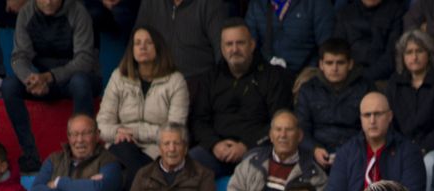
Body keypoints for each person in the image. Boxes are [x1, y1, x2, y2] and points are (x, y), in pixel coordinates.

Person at [189, 18, 291, 177]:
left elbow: (279, 121)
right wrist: (214, 144)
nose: (234, 49)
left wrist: (246, 146)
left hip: (256, 150)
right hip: (217, 151)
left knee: (255, 167)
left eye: (240, 43)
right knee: (189, 164)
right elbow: (199, 120)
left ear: (252, 45)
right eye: (229, 44)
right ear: (222, 48)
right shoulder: (210, 78)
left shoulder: (273, 76)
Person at [5, 0, 98, 174]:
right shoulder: (26, 13)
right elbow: (19, 56)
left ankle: (85, 155)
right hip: (40, 79)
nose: (48, 1)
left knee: (80, 82)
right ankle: (30, 155)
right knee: (9, 86)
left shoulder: (78, 12)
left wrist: (50, 77)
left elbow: (84, 60)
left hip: (72, 78)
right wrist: (30, 79)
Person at [323, 91, 426, 191]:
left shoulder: (408, 152)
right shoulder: (346, 152)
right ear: (361, 118)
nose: (372, 120)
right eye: (367, 115)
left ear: (390, 116)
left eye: (378, 114)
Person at [96, 26, 187, 181]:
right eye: (137, 43)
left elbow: (174, 131)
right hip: (120, 146)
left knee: (126, 175)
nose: (142, 47)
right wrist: (117, 133)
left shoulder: (175, 81)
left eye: (148, 42)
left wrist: (133, 133)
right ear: (131, 49)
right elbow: (102, 125)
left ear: (158, 47)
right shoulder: (118, 77)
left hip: (157, 150)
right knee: (124, 153)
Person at [296, 37, 372, 170]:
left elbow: (372, 127)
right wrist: (314, 149)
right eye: (329, 63)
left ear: (350, 64)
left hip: (356, 157)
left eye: (340, 63)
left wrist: (351, 152)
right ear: (321, 64)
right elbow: (301, 129)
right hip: (316, 158)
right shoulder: (308, 89)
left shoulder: (365, 88)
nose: (334, 68)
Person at [387, 28, 434, 159]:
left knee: (429, 162)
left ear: (429, 54)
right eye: (409, 52)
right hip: (401, 147)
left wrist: (421, 147)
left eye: (419, 51)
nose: (414, 57)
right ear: (402, 57)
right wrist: (403, 148)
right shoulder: (394, 83)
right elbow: (389, 123)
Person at [134, 0, 226, 82]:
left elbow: (222, 51)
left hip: (197, 84)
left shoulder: (210, 3)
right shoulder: (150, 3)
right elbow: (134, 44)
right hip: (157, 82)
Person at [244, 0, 332, 74]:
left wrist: (310, 73)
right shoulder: (257, 5)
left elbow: (327, 47)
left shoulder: (317, 3)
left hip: (306, 79)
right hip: (266, 76)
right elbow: (249, 47)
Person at [335, 0, 406, 85]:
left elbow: (392, 55)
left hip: (383, 79)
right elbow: (338, 50)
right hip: (349, 77)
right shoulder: (345, 13)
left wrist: (364, 77)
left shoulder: (396, 12)